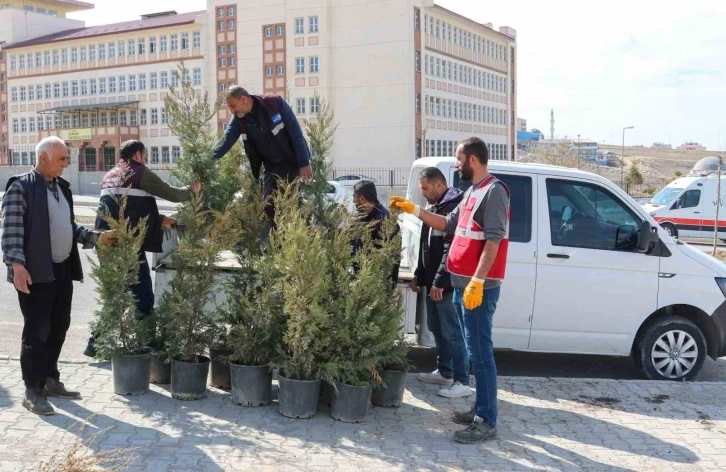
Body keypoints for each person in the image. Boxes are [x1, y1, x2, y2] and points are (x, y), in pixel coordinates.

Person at [389, 137, 510, 444]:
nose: (456, 165)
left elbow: (493, 241)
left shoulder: (494, 192)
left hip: (476, 289)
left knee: (481, 356)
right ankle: (480, 409)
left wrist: (478, 282)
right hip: (462, 285)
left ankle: (487, 421)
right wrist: (413, 209)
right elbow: (446, 224)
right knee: (474, 352)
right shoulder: (473, 192)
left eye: (459, 159)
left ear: (473, 160)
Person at [1, 136, 114, 415]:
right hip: (34, 272)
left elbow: (68, 225)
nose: (67, 164)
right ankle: (33, 390)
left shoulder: (60, 187)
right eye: (62, 159)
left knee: (60, 325)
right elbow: (11, 231)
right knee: (37, 332)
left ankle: (50, 379)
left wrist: (94, 237)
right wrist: (17, 266)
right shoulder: (21, 188)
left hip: (61, 269)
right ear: (44, 159)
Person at [84, 140, 201, 357]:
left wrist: (161, 219)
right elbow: (174, 194)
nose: (145, 159)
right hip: (126, 244)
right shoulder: (139, 172)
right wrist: (193, 190)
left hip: (106, 241)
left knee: (114, 293)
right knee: (143, 293)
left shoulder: (110, 175)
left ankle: (95, 344)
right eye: (144, 155)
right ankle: (147, 342)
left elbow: (127, 209)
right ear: (138, 154)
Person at [213, 86, 312, 228]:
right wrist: (206, 160)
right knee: (268, 204)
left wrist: (304, 163)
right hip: (271, 165)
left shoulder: (274, 103)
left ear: (244, 99)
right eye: (229, 107)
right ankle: (276, 240)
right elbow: (225, 140)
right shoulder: (239, 120)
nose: (232, 111)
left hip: (292, 162)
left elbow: (296, 132)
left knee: (287, 204)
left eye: (233, 106)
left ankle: (291, 239)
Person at [412, 167, 470, 399]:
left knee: (453, 332)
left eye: (425, 188)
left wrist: (438, 282)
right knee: (436, 328)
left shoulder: (453, 209)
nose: (423, 193)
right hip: (432, 282)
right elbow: (425, 243)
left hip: (445, 284)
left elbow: (450, 250)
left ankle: (462, 380)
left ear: (438, 185)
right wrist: (420, 272)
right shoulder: (433, 207)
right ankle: (444, 371)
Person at [351, 180, 400, 285]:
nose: (353, 201)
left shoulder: (383, 220)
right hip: (361, 281)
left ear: (362, 199)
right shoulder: (362, 217)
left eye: (354, 197)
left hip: (376, 285)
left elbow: (386, 258)